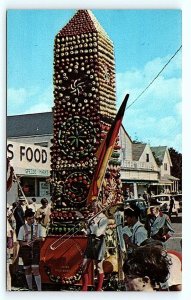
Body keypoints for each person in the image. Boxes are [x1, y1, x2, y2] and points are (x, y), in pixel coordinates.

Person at [81, 200, 108, 291]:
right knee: (84, 265)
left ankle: (99, 289)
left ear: (99, 207)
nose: (93, 208)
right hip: (90, 241)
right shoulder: (93, 217)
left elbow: (99, 233)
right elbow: (90, 232)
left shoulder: (103, 218)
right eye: (92, 206)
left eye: (94, 206)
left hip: (98, 242)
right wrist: (85, 231)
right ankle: (84, 288)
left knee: (99, 266)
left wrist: (94, 224)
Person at [17, 208, 43, 291]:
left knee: (35, 269)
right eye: (29, 219)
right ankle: (30, 288)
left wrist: (37, 239)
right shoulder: (22, 228)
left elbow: (42, 239)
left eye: (32, 218)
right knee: (27, 269)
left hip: (35, 249)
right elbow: (20, 242)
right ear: (26, 219)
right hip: (26, 250)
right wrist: (26, 244)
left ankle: (39, 289)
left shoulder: (38, 226)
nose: (31, 220)